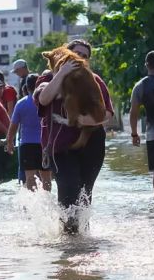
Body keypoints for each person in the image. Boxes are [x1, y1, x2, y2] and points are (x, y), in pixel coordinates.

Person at [34, 39, 114, 234]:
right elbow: (44, 99)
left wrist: (85, 121)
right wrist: (62, 72)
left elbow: (108, 114)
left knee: (85, 193)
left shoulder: (93, 79)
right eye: (76, 54)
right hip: (61, 148)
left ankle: (83, 238)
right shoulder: (46, 79)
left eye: (84, 56)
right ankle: (68, 240)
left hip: (92, 144)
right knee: (69, 190)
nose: (80, 59)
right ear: (65, 55)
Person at [129, 50, 154, 199]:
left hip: (153, 134)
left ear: (146, 65)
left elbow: (133, 112)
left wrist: (134, 133)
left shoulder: (140, 86)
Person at [6, 74, 52, 191]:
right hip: (45, 145)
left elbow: (13, 125)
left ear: (26, 87)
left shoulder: (21, 104)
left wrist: (9, 142)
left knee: (29, 178)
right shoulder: (47, 102)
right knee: (46, 178)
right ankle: (47, 203)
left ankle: (32, 204)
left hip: (27, 145)